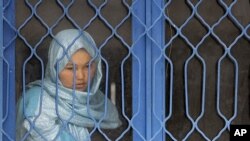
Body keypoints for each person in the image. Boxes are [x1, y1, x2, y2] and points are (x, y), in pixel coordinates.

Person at [16, 29, 121, 141]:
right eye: (71, 68)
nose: (81, 76)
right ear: (55, 68)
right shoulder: (38, 100)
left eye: (88, 66)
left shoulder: (98, 102)